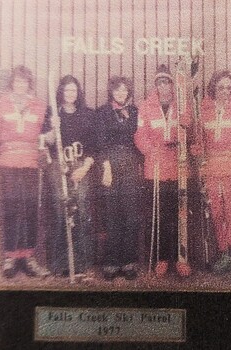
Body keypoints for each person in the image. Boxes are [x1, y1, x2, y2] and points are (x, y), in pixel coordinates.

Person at [195, 70, 231, 283]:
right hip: (211, 169)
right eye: (221, 87)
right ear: (213, 88)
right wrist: (196, 148)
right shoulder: (204, 110)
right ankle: (224, 255)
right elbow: (199, 140)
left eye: (228, 87)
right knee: (217, 214)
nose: (225, 91)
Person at [135, 64, 191, 278]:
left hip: (178, 167)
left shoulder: (182, 105)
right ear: (156, 85)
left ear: (172, 84)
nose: (164, 86)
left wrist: (188, 126)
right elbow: (140, 135)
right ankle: (162, 258)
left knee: (179, 216)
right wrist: (150, 150)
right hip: (156, 167)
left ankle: (181, 258)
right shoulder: (146, 106)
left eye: (167, 81)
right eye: (160, 82)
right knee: (158, 215)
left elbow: (191, 134)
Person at [41, 75, 96, 278]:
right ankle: (59, 262)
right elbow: (46, 142)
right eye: (67, 90)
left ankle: (81, 262)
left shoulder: (87, 114)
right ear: (61, 93)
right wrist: (52, 129)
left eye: (74, 90)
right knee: (61, 210)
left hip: (81, 165)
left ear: (78, 92)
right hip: (59, 165)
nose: (70, 94)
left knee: (80, 209)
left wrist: (85, 168)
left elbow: (93, 145)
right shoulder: (53, 113)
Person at [0, 65, 50, 278]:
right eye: (17, 81)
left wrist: (51, 133)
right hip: (8, 162)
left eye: (25, 82)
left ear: (29, 84)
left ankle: (28, 256)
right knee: (10, 208)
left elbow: (46, 135)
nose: (21, 85)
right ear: (12, 83)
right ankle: (10, 257)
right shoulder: (1, 104)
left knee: (29, 209)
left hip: (30, 163)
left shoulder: (39, 105)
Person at [96, 76, 142, 280]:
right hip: (110, 163)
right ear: (111, 92)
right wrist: (106, 167)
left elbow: (138, 140)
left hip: (130, 163)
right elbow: (100, 143)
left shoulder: (134, 112)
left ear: (128, 92)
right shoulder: (103, 112)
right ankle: (111, 262)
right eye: (117, 90)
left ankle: (128, 261)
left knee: (130, 215)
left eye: (124, 90)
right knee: (112, 214)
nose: (121, 93)